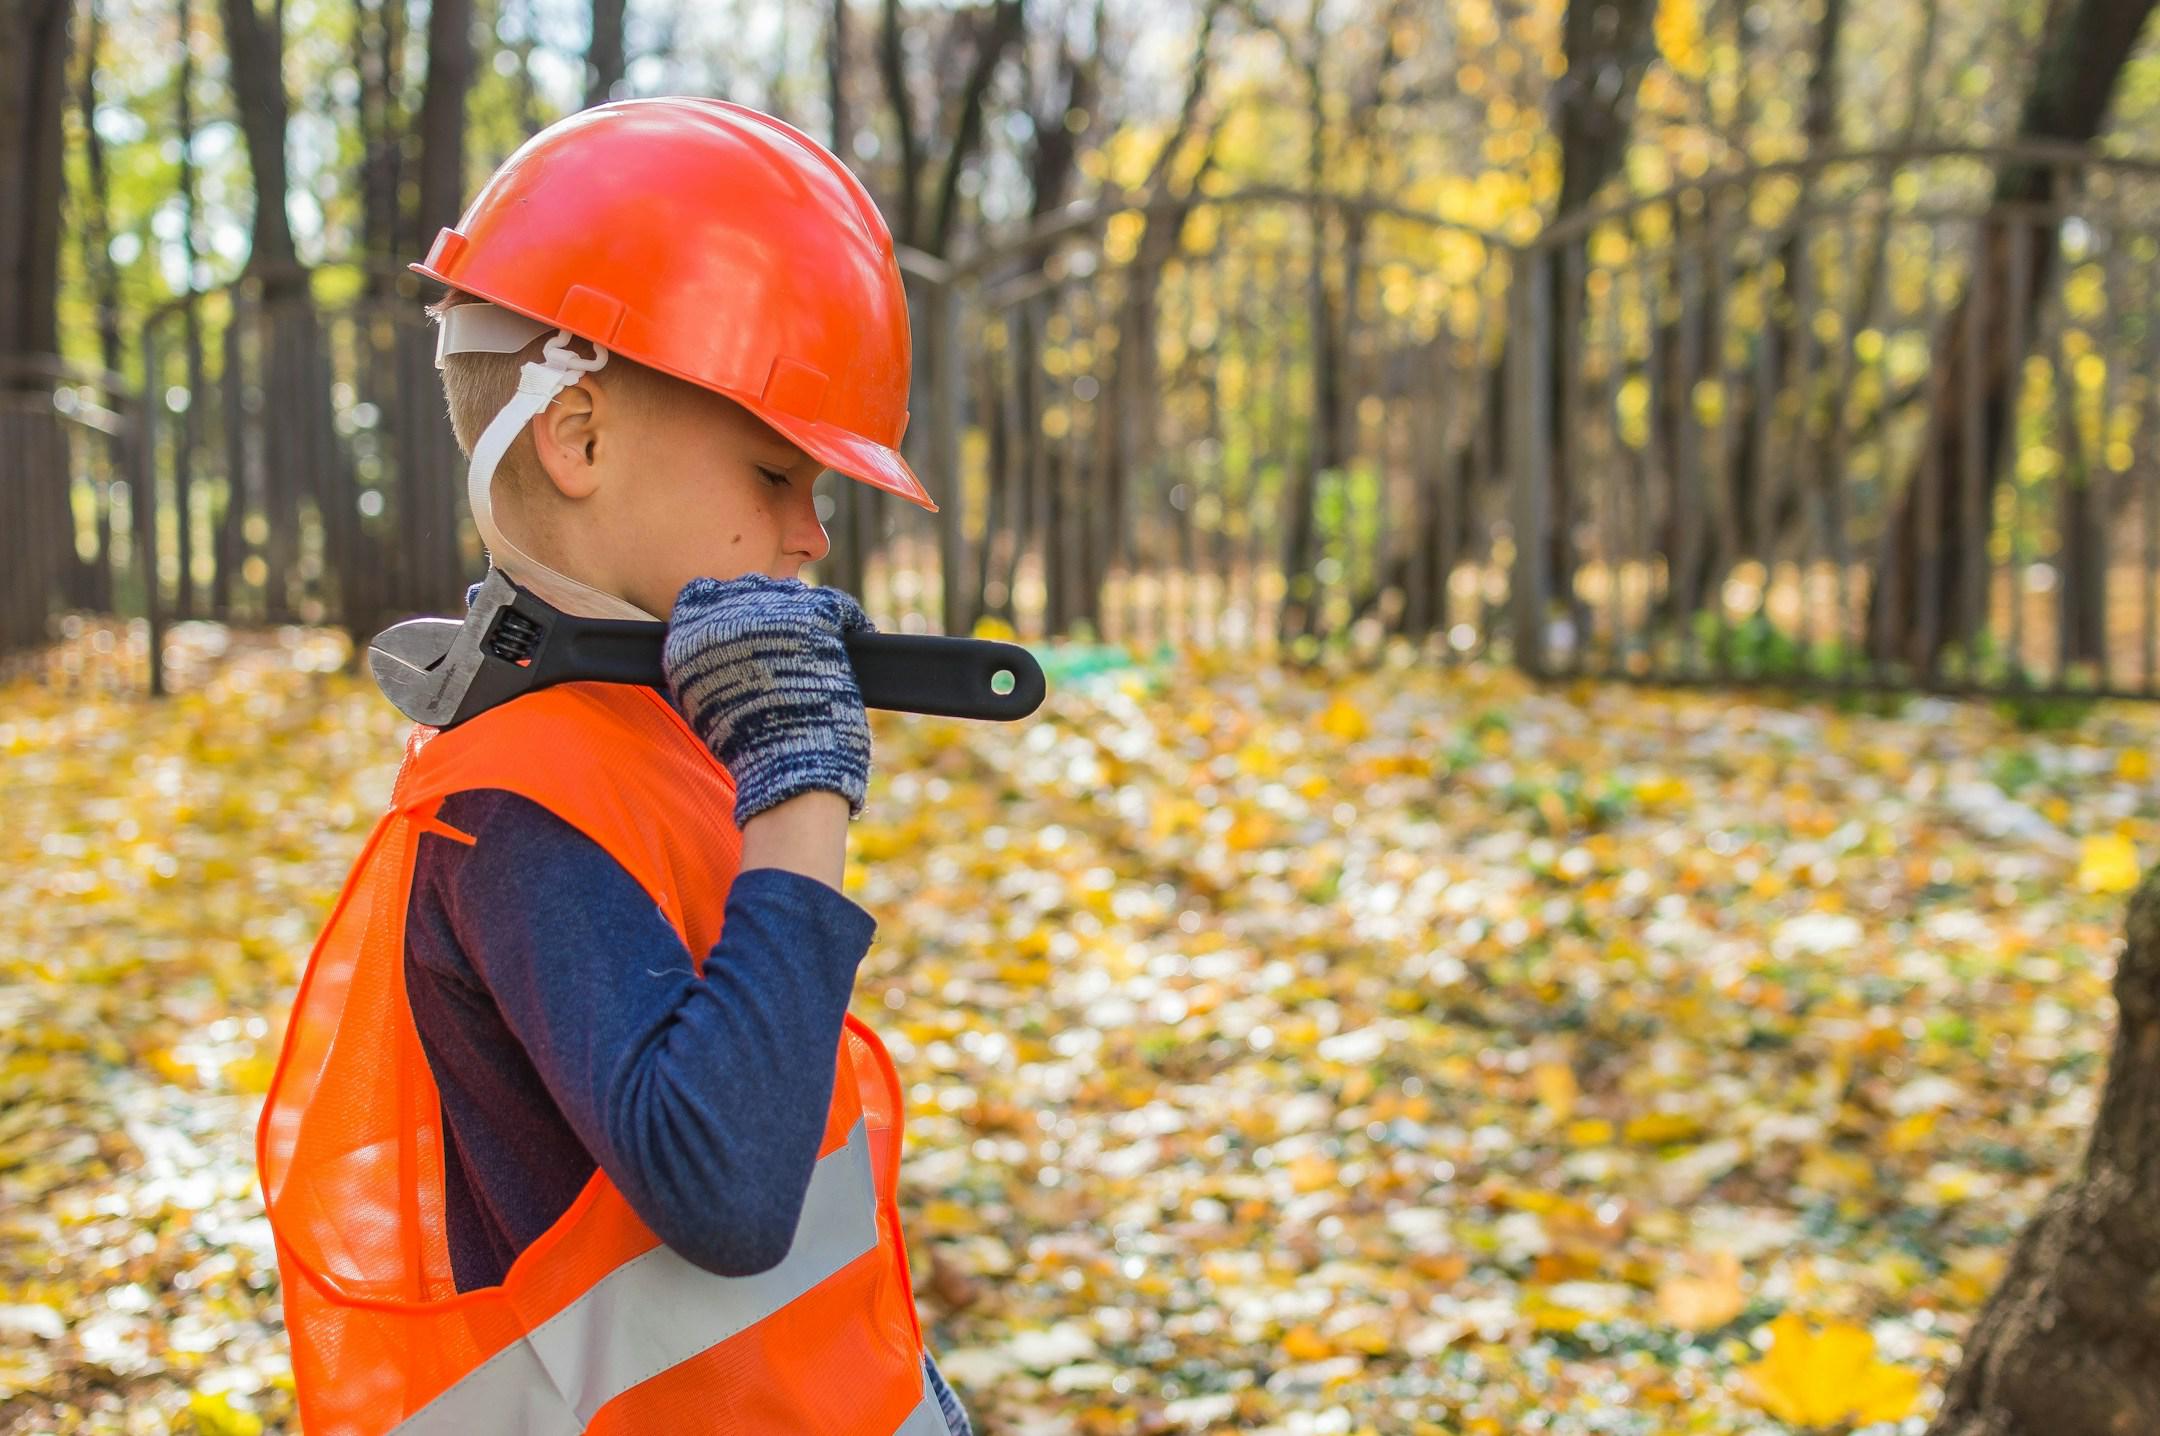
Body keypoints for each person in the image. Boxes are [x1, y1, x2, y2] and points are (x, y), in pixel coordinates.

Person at [255, 97, 972, 1435]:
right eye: (776, 473)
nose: (812, 535)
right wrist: (800, 779)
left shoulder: (633, 732)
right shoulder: (517, 806)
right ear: (575, 436)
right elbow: (728, 1190)